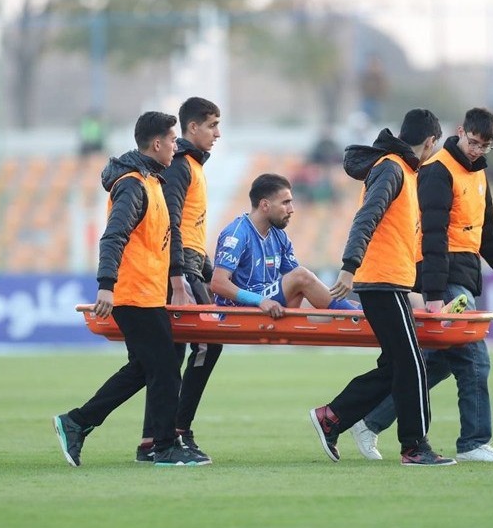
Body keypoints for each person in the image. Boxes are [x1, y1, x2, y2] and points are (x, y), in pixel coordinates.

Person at [350, 107, 493, 463]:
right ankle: (474, 442)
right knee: (475, 360)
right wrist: (433, 294)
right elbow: (432, 236)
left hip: (464, 274)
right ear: (461, 131)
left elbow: (486, 228)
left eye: (484, 146)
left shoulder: (477, 174)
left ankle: (370, 421)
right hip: (444, 278)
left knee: (436, 363)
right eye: (473, 142)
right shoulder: (437, 170)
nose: (476, 150)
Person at [53, 111, 209, 468]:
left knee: (143, 368)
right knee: (165, 368)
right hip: (133, 294)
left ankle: (77, 422)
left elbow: (162, 238)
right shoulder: (133, 185)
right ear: (156, 144)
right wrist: (106, 286)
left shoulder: (151, 181)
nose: (176, 146)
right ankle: (164, 447)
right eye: (172, 140)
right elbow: (113, 236)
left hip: (146, 293)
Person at [309, 108, 456, 466]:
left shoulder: (401, 169)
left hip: (390, 281)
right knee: (412, 363)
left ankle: (333, 416)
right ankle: (414, 446)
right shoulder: (392, 168)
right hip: (380, 281)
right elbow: (367, 217)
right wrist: (349, 266)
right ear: (430, 141)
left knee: (396, 365)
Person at [135, 97, 221, 463]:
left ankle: (152, 439)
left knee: (172, 354)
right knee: (205, 344)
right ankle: (176, 431)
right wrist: (178, 276)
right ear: (192, 128)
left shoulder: (192, 166)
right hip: (179, 267)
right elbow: (170, 222)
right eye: (212, 125)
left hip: (190, 264)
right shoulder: (182, 165)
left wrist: (209, 271)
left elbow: (191, 227)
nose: (218, 133)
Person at [210, 173, 360, 319]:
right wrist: (260, 300)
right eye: (285, 203)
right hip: (238, 311)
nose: (291, 209)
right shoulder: (237, 234)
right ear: (265, 205)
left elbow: (302, 283)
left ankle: (348, 311)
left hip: (268, 305)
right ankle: (353, 317)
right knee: (301, 275)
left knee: (302, 280)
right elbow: (217, 283)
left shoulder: (279, 236)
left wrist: (334, 299)